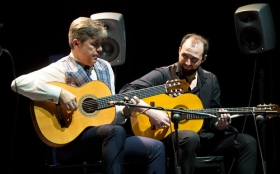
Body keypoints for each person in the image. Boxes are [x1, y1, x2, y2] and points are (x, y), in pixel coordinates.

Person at [11, 17, 166, 174]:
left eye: (100, 44)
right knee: (115, 132)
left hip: (105, 139)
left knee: (156, 148)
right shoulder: (61, 68)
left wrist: (125, 112)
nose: (100, 49)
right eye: (94, 44)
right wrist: (59, 93)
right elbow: (18, 84)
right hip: (70, 144)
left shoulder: (105, 67)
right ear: (76, 43)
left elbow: (109, 115)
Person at [119, 33, 257, 174]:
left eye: (194, 59)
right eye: (184, 55)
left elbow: (213, 112)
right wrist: (150, 111)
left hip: (204, 138)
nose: (188, 62)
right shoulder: (164, 74)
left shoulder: (210, 80)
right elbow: (126, 91)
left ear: (203, 59)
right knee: (190, 137)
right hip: (170, 136)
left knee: (247, 142)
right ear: (179, 50)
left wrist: (218, 124)